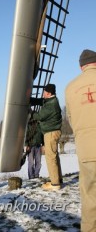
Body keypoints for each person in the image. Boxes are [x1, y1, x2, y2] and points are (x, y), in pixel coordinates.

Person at [65, 49, 96, 232]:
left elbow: (70, 118)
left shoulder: (70, 87)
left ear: (80, 66)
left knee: (90, 196)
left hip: (86, 149)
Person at [30, 83, 63, 191]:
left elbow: (40, 116)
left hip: (50, 133)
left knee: (50, 158)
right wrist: (31, 100)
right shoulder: (51, 100)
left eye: (44, 92)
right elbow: (41, 101)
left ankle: (55, 184)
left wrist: (30, 113)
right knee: (54, 156)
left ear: (48, 93)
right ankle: (58, 179)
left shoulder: (51, 105)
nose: (43, 93)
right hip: (52, 132)